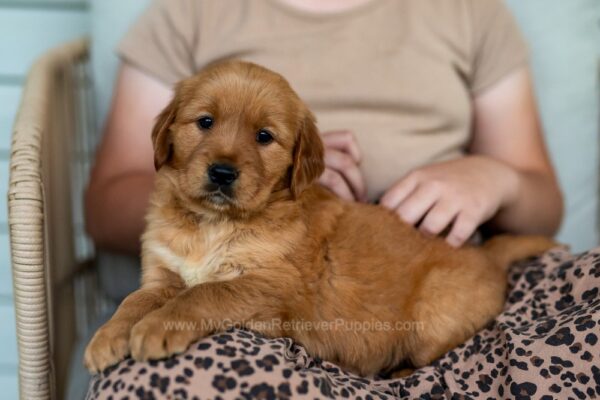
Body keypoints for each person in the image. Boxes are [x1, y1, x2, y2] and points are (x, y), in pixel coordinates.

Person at [85, 1, 598, 398]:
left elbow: (543, 204)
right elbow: (106, 206)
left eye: (266, 138)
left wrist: (497, 177)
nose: (225, 158)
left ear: (298, 159)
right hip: (267, 347)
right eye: (204, 122)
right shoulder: (191, 11)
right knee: (162, 377)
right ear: (168, 135)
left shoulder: (467, 9)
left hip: (449, 273)